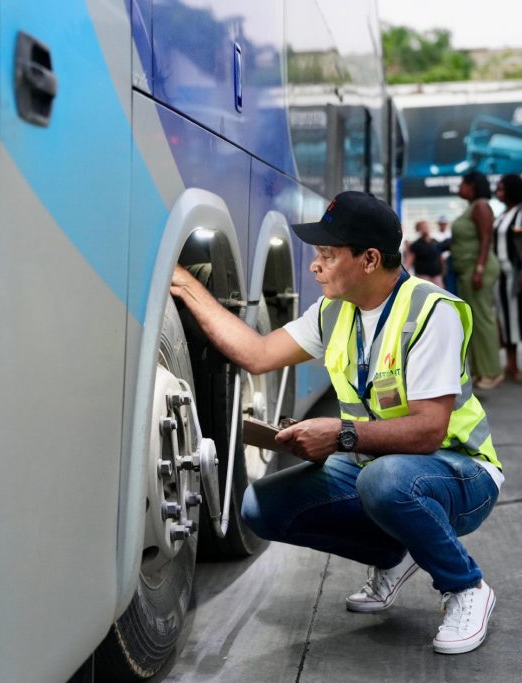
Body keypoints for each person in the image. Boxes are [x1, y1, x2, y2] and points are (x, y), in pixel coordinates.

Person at [170, 190, 503, 655]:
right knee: (260, 508)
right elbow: (257, 354)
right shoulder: (334, 312)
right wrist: (184, 284)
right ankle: (392, 553)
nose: (315, 266)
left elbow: (429, 429)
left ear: (369, 259)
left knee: (385, 482)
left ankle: (466, 587)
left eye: (327, 254)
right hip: (379, 466)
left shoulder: (431, 311)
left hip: (460, 473)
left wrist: (341, 434)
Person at [451, 171, 504, 389]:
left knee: (482, 320)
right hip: (468, 270)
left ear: (472, 186)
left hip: (477, 269)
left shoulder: (481, 206)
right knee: (472, 322)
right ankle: (479, 371)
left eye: (463, 183)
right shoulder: (472, 208)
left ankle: (492, 371)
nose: (459, 187)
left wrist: (479, 269)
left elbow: (486, 239)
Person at [492, 174, 522, 382]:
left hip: (518, 274)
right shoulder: (502, 215)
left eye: (501, 188)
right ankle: (511, 365)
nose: (498, 192)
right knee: (506, 320)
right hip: (500, 276)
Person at [404, 220, 447, 286]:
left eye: (426, 226)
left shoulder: (435, 242)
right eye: (423, 227)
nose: (425, 228)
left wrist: (444, 268)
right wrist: (405, 272)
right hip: (423, 277)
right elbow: (410, 260)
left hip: (437, 276)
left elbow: (440, 257)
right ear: (418, 229)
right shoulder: (416, 244)